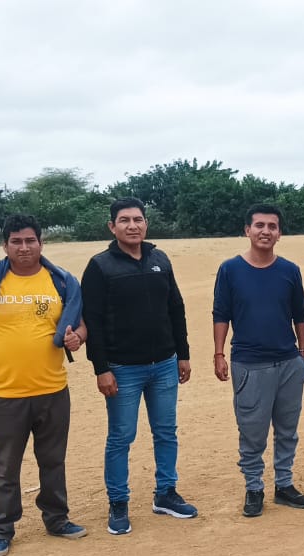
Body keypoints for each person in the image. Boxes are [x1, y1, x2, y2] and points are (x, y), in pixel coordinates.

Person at [0, 214, 88, 556]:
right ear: (5, 246)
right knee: (5, 466)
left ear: (41, 243)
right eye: (16, 241)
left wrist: (77, 338)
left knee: (53, 460)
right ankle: (1, 528)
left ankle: (57, 519)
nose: (24, 247)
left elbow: (80, 326)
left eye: (31, 240)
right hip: (6, 394)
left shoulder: (60, 282)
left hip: (53, 390)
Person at [81, 197, 196, 536]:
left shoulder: (160, 259)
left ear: (146, 223)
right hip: (122, 369)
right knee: (121, 436)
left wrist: (183, 354)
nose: (132, 225)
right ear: (112, 226)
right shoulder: (100, 266)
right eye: (124, 220)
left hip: (164, 364)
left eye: (138, 219)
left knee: (166, 431)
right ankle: (118, 502)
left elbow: (175, 308)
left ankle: (166, 493)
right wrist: (101, 368)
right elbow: (93, 320)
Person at [212, 204, 304, 517]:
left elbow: (301, 313)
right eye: (259, 225)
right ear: (247, 230)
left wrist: (302, 354)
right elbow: (221, 313)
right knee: (252, 431)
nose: (265, 231)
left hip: (288, 362)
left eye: (272, 226)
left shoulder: (289, 270)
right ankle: (254, 487)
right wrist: (219, 353)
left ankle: (284, 484)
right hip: (249, 365)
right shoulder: (230, 270)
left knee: (287, 429)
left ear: (279, 233)